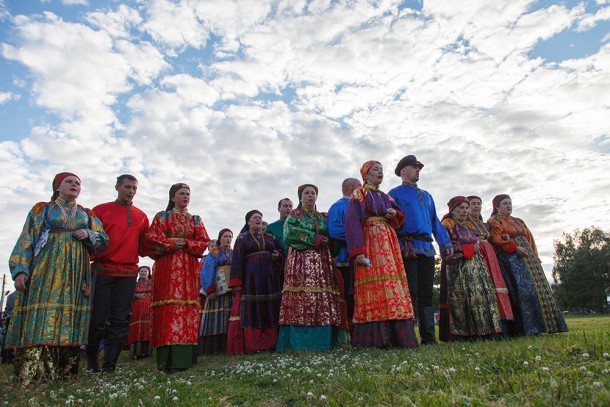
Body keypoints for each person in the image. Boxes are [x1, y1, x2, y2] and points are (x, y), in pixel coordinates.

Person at [6, 172, 108, 383]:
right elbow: (27, 238)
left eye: (78, 183)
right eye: (69, 182)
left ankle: (65, 372)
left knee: (69, 314)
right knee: (44, 312)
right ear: (57, 187)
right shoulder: (42, 209)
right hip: (46, 269)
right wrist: (21, 270)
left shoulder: (86, 213)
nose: (74, 185)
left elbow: (103, 239)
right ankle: (35, 373)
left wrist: (89, 234)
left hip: (75, 272)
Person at [345, 162, 418, 348]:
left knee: (392, 283)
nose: (380, 172)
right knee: (375, 282)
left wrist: (393, 214)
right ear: (366, 175)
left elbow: (399, 219)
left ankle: (399, 337)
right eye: (375, 169)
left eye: (381, 169)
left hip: (388, 241)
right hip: (370, 241)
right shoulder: (359, 194)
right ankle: (375, 339)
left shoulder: (386, 196)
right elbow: (352, 223)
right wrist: (358, 252)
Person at [87, 174, 150, 373]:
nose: (131, 191)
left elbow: (144, 247)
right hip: (103, 270)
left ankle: (109, 366)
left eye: (134, 188)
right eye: (127, 187)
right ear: (117, 187)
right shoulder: (99, 211)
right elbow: (89, 242)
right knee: (97, 319)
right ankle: (91, 361)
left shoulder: (141, 216)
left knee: (120, 320)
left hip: (128, 273)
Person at [145, 183, 210, 373]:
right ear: (173, 197)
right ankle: (166, 360)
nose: (186, 196)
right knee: (168, 309)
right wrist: (171, 243)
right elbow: (151, 236)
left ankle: (184, 360)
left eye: (188, 194)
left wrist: (187, 243)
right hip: (167, 267)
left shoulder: (196, 220)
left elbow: (204, 242)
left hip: (188, 270)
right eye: (181, 193)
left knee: (187, 308)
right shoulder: (162, 217)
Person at [389, 155, 453, 345]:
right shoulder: (394, 193)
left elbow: (434, 222)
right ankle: (407, 338)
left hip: (427, 248)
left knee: (425, 293)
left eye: (419, 168)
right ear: (403, 171)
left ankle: (428, 338)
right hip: (406, 247)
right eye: (414, 167)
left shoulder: (427, 195)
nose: (418, 170)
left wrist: (445, 243)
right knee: (410, 292)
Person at [277, 184, 347, 352]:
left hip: (322, 264)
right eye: (306, 193)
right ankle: (298, 343)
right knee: (301, 298)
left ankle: (324, 341)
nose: (310, 196)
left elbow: (332, 236)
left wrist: (336, 241)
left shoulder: (323, 217)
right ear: (300, 197)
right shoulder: (294, 216)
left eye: (313, 193)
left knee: (322, 298)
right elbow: (289, 234)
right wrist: (314, 238)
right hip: (300, 264)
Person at [487, 194, 567, 335]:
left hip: (528, 258)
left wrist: (535, 257)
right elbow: (496, 239)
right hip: (511, 259)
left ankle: (548, 326)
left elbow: (529, 238)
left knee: (540, 290)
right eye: (505, 203)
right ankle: (528, 329)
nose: (508, 206)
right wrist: (514, 247)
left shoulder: (518, 221)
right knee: (524, 290)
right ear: (497, 206)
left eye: (510, 203)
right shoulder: (494, 221)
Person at [439, 197, 502, 341]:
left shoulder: (468, 226)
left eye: (466, 208)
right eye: (461, 208)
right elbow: (446, 248)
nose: (465, 211)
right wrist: (469, 248)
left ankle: (484, 331)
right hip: (458, 270)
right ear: (452, 209)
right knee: (463, 300)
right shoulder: (447, 224)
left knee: (482, 298)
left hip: (476, 268)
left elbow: (479, 240)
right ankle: (464, 334)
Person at [227, 210, 283, 354]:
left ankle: (272, 343)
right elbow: (237, 260)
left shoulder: (270, 236)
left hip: (270, 277)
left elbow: (281, 250)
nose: (258, 219)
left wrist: (278, 255)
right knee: (254, 309)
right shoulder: (242, 238)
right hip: (251, 278)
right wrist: (236, 282)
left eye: (260, 217)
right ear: (248, 222)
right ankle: (255, 345)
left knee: (271, 306)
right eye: (254, 218)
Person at [467, 195, 514, 335]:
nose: (476, 206)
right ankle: (488, 327)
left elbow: (494, 238)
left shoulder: (485, 224)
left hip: (491, 257)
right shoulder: (464, 223)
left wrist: (505, 238)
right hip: (478, 257)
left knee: (497, 288)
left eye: (479, 204)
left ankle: (504, 327)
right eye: (473, 204)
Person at [328, 178, 361, 332]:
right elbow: (334, 231)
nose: (362, 188)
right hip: (347, 258)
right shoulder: (338, 206)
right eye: (359, 186)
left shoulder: (362, 204)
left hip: (367, 256)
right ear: (350, 187)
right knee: (351, 293)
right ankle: (352, 330)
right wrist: (360, 236)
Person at [199, 229, 234, 355]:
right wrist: (210, 289)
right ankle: (213, 348)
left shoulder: (233, 253)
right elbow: (207, 270)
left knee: (229, 314)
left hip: (230, 290)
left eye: (230, 236)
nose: (228, 239)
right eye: (225, 236)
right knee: (215, 316)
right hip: (217, 290)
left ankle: (227, 346)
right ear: (220, 238)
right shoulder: (214, 252)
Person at [265, 198, 293, 286]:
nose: (288, 208)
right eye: (285, 206)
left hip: (297, 267)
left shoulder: (299, 225)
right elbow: (268, 248)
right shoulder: (271, 228)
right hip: (279, 269)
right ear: (278, 209)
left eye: (290, 206)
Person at [128, 266, 153, 359]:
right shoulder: (135, 284)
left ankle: (147, 352)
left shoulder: (152, 283)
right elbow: (129, 294)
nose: (143, 273)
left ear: (148, 273)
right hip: (137, 309)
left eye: (145, 271)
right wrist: (137, 295)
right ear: (138, 273)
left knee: (147, 327)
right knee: (137, 327)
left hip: (149, 308)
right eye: (141, 271)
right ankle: (136, 352)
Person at [1, 291, 16, 364]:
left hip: (8, 318)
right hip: (15, 318)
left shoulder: (9, 296)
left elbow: (6, 308)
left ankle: (3, 357)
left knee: (6, 337)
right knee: (14, 338)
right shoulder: (19, 296)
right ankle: (11, 357)